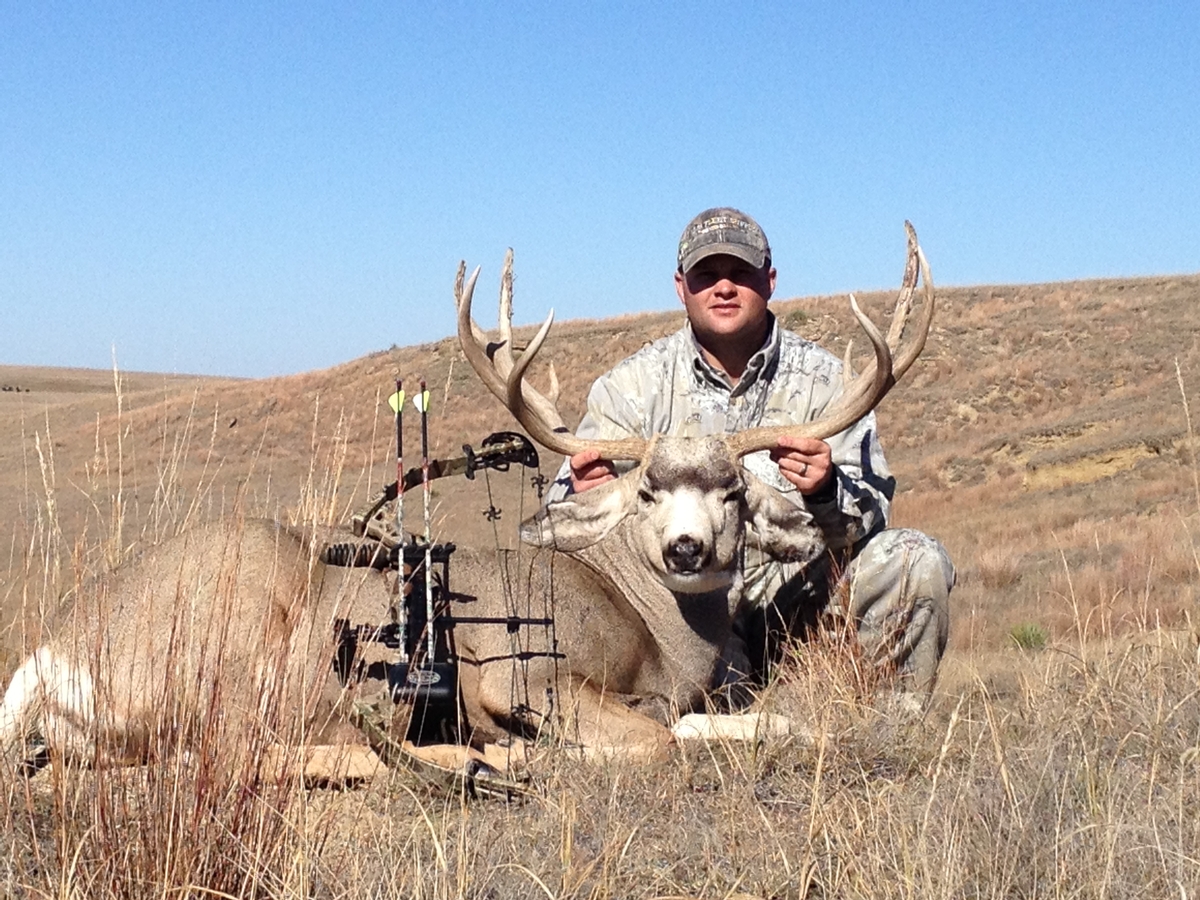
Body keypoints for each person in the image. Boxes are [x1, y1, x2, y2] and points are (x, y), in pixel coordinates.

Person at [545, 207, 954, 702]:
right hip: (680, 612)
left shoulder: (830, 385)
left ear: (770, 280)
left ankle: (884, 743)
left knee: (913, 560)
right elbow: (563, 521)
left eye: (740, 273)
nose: (724, 288)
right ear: (681, 286)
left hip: (801, 597)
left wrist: (826, 490)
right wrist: (588, 489)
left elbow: (868, 521)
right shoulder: (631, 389)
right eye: (706, 275)